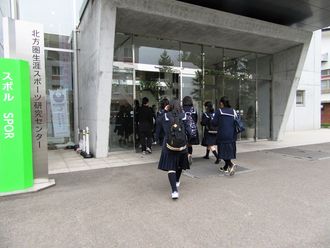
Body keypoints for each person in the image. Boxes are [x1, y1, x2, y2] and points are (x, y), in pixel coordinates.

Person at [158, 99, 190, 199]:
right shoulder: (184, 116)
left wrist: (164, 110)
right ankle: (176, 181)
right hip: (182, 144)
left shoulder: (166, 116)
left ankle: (174, 191)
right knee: (180, 164)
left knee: (171, 168)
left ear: (170, 106)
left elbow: (158, 123)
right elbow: (189, 130)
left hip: (169, 144)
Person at [211, 96, 237, 175]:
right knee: (228, 150)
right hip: (232, 134)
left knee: (223, 152)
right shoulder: (233, 111)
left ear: (221, 103)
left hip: (223, 134)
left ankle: (231, 164)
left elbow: (214, 123)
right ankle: (225, 167)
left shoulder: (219, 111)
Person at [182, 96, 199, 165]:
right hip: (192, 129)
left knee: (184, 144)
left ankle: (185, 157)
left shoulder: (182, 109)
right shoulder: (193, 109)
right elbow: (196, 119)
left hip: (184, 129)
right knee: (190, 144)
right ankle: (190, 155)